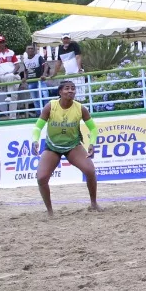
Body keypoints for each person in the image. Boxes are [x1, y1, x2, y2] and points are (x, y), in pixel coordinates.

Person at [33, 79, 99, 214]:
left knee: (90, 171)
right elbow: (37, 127)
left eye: (73, 88)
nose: (70, 91)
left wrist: (92, 143)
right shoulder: (50, 106)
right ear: (60, 92)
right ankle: (50, 211)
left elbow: (93, 129)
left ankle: (93, 203)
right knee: (41, 178)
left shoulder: (80, 108)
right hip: (52, 147)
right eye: (67, 88)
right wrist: (35, 140)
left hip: (72, 146)